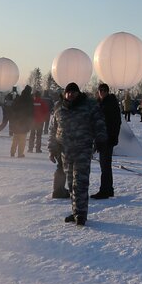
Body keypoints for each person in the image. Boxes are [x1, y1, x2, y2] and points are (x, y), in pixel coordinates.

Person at [48, 83, 106, 226]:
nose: (71, 95)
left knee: (80, 182)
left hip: (83, 149)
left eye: (74, 92)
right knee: (70, 183)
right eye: (68, 92)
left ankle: (81, 214)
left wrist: (101, 139)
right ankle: (75, 212)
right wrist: (52, 148)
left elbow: (99, 122)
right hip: (65, 151)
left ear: (78, 93)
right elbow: (53, 129)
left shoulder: (89, 105)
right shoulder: (58, 107)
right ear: (64, 93)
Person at [92, 83, 122, 199]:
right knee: (104, 165)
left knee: (105, 165)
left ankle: (105, 190)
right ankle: (108, 189)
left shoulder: (111, 103)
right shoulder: (98, 104)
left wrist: (114, 137)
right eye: (100, 90)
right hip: (100, 138)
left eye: (104, 90)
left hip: (108, 138)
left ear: (108, 91)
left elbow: (116, 122)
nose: (102, 92)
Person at [8, 85, 34, 157]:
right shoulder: (30, 99)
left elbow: (13, 107)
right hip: (25, 121)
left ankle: (12, 152)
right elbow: (31, 111)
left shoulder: (18, 98)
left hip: (17, 120)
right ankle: (20, 153)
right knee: (22, 139)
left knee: (15, 137)